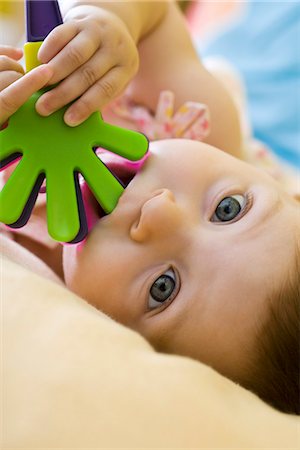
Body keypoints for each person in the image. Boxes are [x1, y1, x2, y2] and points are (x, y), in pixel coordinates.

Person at [0, 1, 299, 415]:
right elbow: (156, 16)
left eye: (164, 287)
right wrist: (110, 25)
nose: (161, 213)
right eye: (228, 210)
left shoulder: (37, 290)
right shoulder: (200, 126)